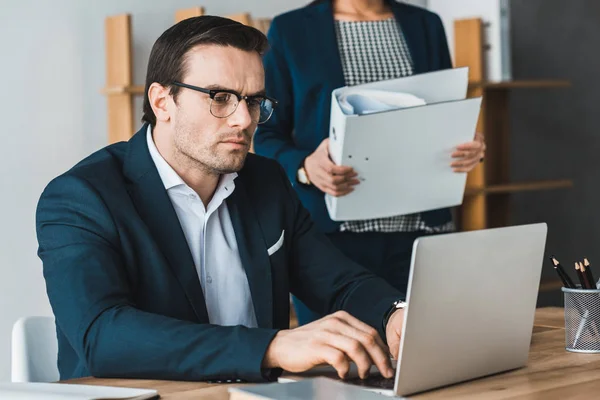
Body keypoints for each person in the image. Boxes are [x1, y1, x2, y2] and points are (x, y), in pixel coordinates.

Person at [36, 16, 409, 383]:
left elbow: (339, 282)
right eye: (220, 98)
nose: (243, 120)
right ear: (162, 101)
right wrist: (271, 348)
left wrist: (396, 314)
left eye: (254, 101)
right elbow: (102, 336)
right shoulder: (80, 197)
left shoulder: (266, 181)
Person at [253, 0, 486, 325]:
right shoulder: (291, 29)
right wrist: (304, 166)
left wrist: (470, 143)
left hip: (421, 233)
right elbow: (264, 134)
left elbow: (444, 113)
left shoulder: (425, 24)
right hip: (331, 240)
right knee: (337, 364)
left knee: (431, 354)